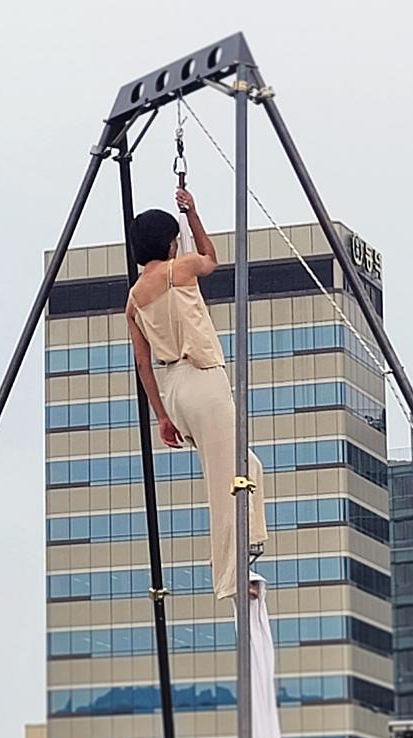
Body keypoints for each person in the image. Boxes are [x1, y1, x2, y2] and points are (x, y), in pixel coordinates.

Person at [125, 188, 268, 603]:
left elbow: (142, 365)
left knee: (248, 465)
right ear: (170, 242)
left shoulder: (133, 299)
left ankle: (249, 541)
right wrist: (193, 215)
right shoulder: (180, 268)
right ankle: (230, 579)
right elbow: (211, 258)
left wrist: (163, 417)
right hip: (204, 381)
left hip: (175, 391)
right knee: (225, 480)